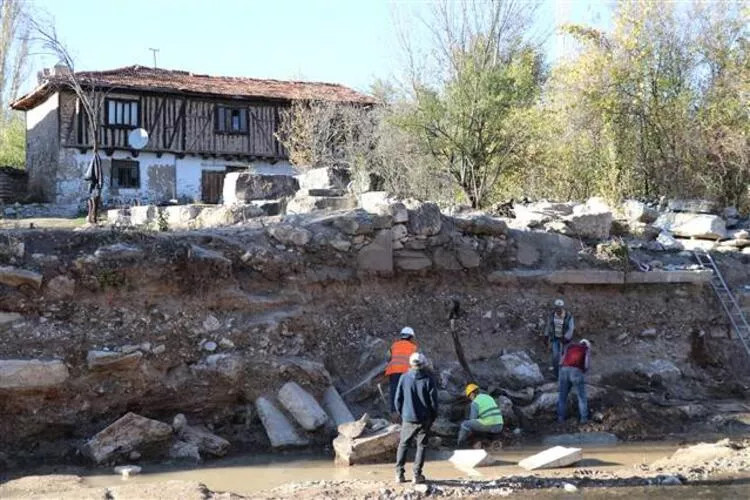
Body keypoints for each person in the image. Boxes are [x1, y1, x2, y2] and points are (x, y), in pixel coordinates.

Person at [394, 352, 438, 485]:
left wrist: (403, 414)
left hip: (408, 418)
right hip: (424, 419)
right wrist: (433, 417)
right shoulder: (429, 379)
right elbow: (434, 402)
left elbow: (397, 400)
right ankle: (416, 475)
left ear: (411, 364)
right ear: (423, 364)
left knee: (403, 445)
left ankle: (399, 474)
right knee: (421, 446)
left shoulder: (404, 378)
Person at [385, 326, 418, 417]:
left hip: (394, 372)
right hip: (406, 372)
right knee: (406, 392)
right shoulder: (413, 347)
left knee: (394, 391)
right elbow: (416, 361)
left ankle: (394, 413)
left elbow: (388, 357)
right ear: (411, 337)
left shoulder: (394, 345)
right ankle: (406, 414)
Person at [456, 383, 504, 447]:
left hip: (490, 424)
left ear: (472, 394)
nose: (470, 398)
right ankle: (494, 441)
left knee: (465, 424)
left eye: (469, 396)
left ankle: (460, 445)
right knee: (482, 422)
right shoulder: (489, 397)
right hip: (500, 424)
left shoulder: (475, 402)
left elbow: (473, 419)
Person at [557, 339, 591, 424]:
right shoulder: (585, 349)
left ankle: (560, 418)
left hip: (564, 370)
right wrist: (583, 372)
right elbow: (586, 365)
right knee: (582, 397)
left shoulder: (570, 347)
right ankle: (584, 419)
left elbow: (561, 361)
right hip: (576, 372)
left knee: (562, 397)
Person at [543, 298, 575, 378]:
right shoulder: (551, 315)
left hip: (565, 340)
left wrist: (566, 337)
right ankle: (556, 373)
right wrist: (546, 335)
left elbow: (571, 328)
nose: (558, 309)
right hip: (555, 338)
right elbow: (548, 325)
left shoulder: (568, 316)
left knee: (565, 356)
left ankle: (566, 374)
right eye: (557, 307)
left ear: (562, 307)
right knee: (555, 356)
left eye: (560, 308)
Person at [84, 151, 103, 224]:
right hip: (93, 189)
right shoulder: (95, 161)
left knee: (92, 203)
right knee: (93, 203)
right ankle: (92, 219)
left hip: (92, 189)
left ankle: (91, 218)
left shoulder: (95, 161)